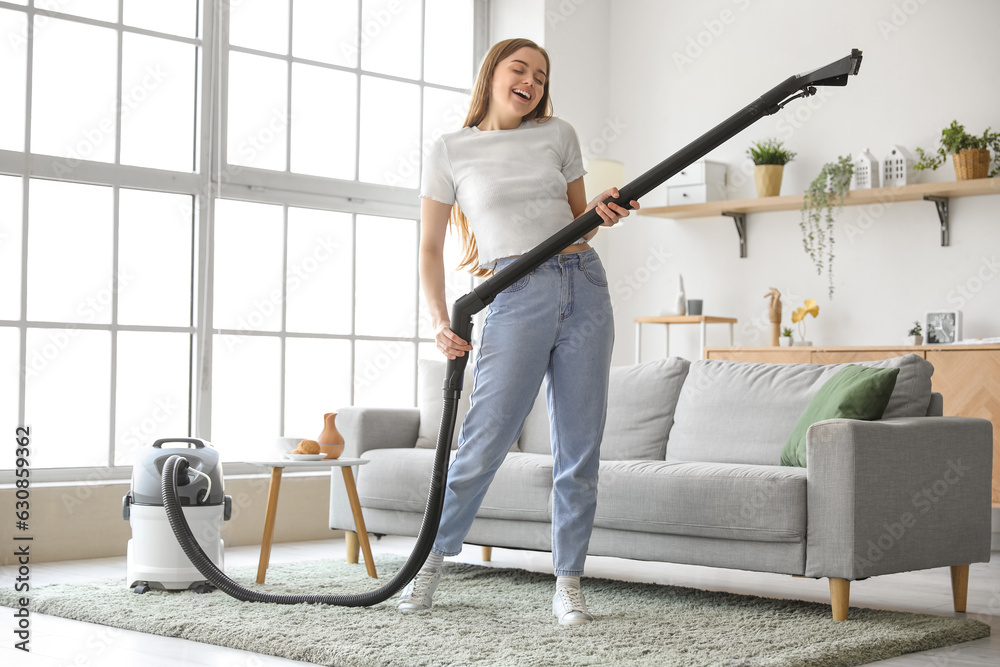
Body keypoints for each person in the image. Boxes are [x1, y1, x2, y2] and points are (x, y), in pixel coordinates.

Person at [402, 37, 639, 626]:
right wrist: (437, 323)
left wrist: (602, 212)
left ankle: (569, 581)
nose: (531, 80)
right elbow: (430, 250)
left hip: (583, 285)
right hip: (512, 289)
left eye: (540, 74)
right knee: (484, 440)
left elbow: (578, 227)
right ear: (493, 75)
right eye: (519, 68)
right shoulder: (451, 150)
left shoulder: (558, 135)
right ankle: (429, 563)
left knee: (578, 449)